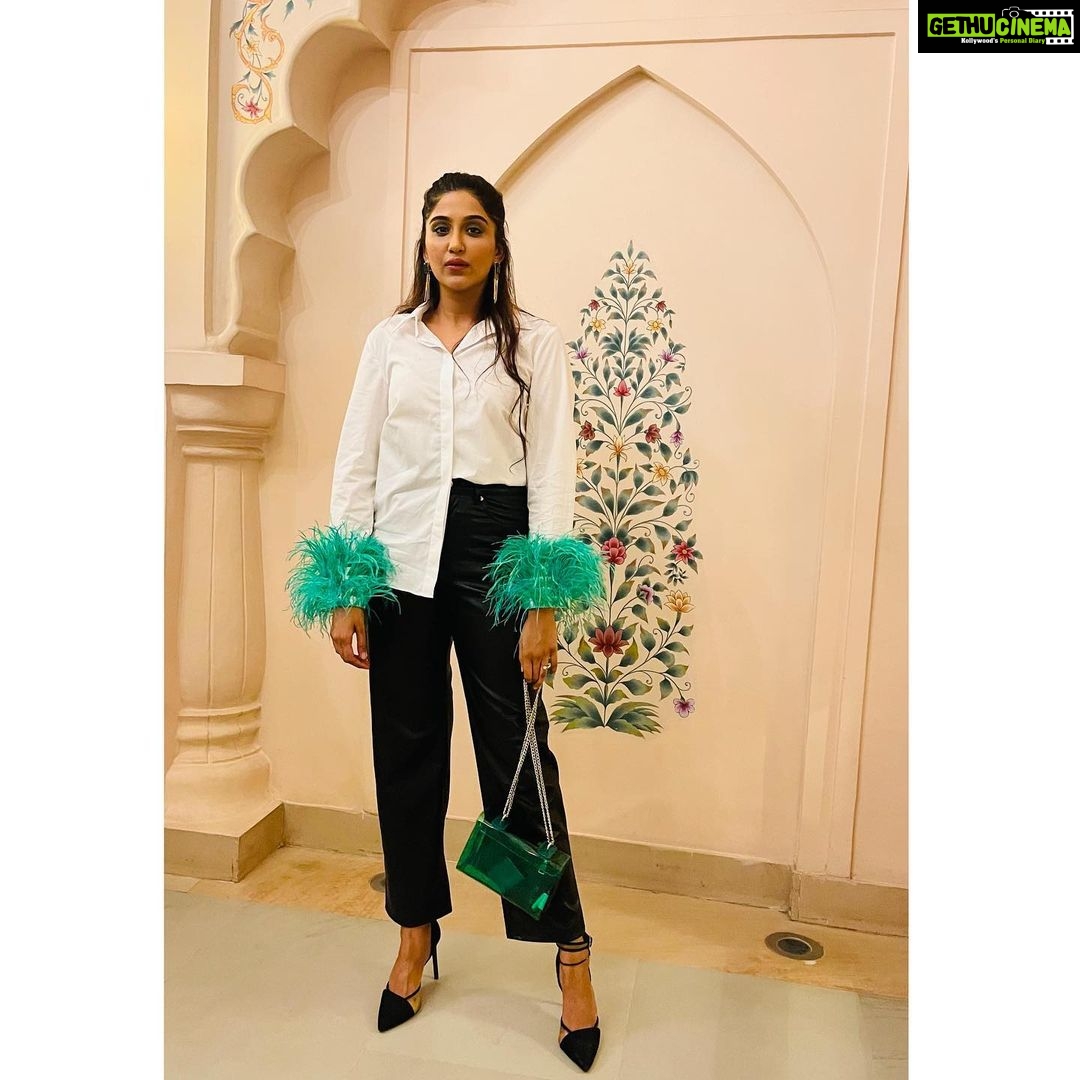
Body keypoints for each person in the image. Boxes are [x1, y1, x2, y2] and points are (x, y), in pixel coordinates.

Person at [286, 172, 605, 1071]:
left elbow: (553, 472)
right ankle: (415, 931)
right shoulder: (389, 342)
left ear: (497, 244)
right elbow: (356, 462)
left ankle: (571, 953)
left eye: (472, 228)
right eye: (439, 227)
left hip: (496, 552)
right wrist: (346, 585)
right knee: (407, 754)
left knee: (519, 756)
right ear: (423, 242)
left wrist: (541, 600)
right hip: (399, 562)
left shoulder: (535, 344)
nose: (454, 243)